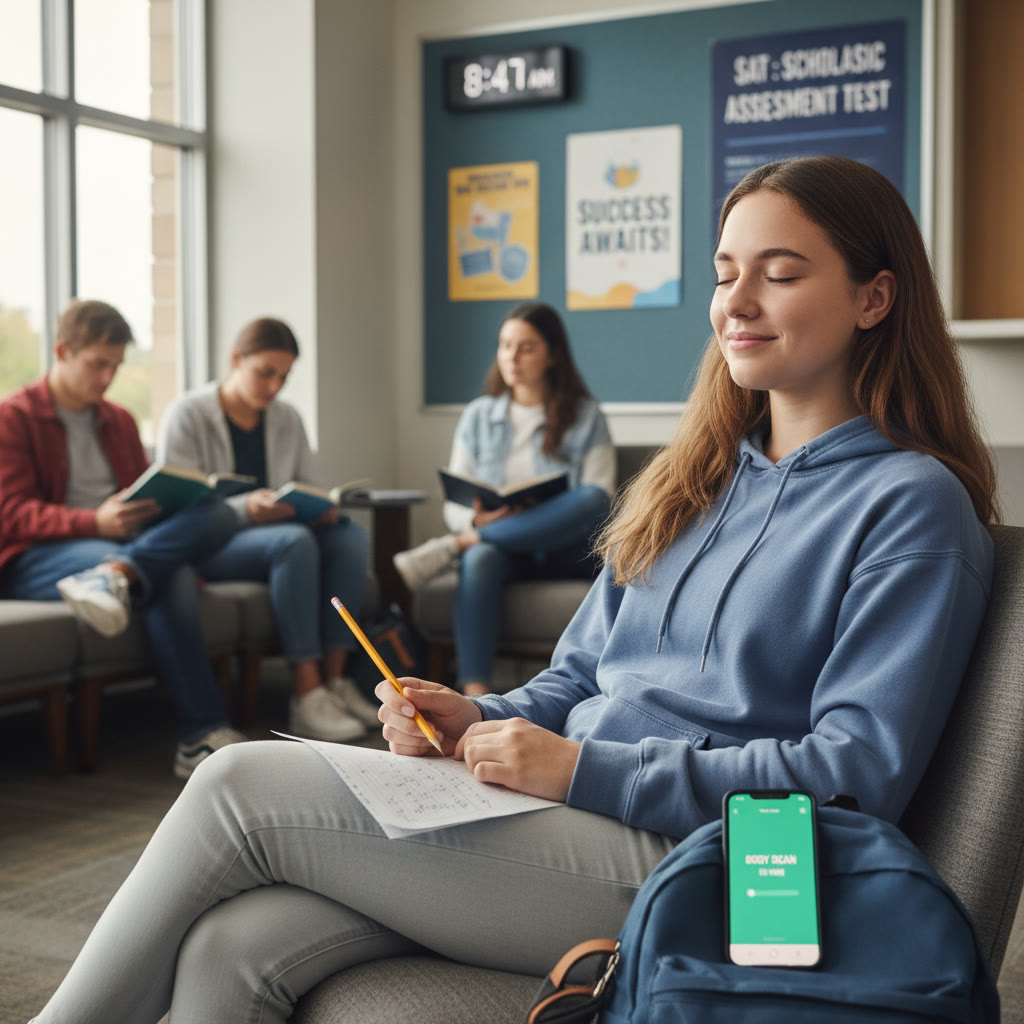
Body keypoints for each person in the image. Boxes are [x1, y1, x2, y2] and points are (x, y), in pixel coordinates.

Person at [27, 156, 997, 1023]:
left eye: (779, 274)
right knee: (234, 946)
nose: (736, 301)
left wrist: (579, 771)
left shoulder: (910, 505)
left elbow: (850, 777)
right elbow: (573, 678)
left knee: (237, 783)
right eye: (723, 273)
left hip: (722, 862)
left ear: (874, 299)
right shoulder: (687, 482)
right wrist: (474, 714)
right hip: (577, 814)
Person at [0, 298, 246, 779]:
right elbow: (11, 515)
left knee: (218, 511)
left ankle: (118, 573)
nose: (106, 378)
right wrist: (95, 521)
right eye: (97, 364)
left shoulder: (119, 420)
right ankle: (200, 732)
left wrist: (166, 505)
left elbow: (144, 496)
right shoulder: (14, 417)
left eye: (114, 366)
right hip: (34, 557)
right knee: (170, 570)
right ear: (62, 351)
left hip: (117, 544)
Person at [157, 316, 376, 742]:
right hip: (213, 543)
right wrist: (245, 509)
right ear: (236, 359)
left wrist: (319, 507)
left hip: (278, 535)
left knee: (348, 535)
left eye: (284, 377)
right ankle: (306, 694)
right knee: (292, 542)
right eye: (265, 373)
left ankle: (334, 683)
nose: (274, 387)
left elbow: (306, 481)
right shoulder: (188, 414)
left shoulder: (287, 418)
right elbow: (179, 507)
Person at [392, 301, 615, 695]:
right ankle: (474, 691)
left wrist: (522, 521)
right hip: (506, 551)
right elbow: (455, 503)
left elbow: (599, 499)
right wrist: (475, 523)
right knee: (480, 557)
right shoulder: (478, 416)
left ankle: (459, 546)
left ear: (552, 354)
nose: (512, 357)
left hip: (566, 548)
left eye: (526, 347)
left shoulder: (586, 416)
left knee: (592, 499)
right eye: (505, 345)